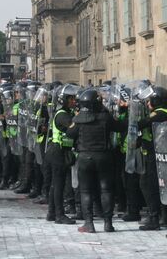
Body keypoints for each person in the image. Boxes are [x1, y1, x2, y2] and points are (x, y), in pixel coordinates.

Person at [68, 88, 127, 233]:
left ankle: (89, 223)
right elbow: (120, 127)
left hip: (85, 157)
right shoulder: (105, 117)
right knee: (106, 190)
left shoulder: (79, 119)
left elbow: (70, 134)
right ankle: (108, 223)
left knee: (86, 191)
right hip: (103, 157)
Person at [137, 86, 167, 231]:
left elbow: (143, 123)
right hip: (156, 153)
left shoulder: (161, 114)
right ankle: (164, 217)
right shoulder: (162, 113)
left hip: (156, 154)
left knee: (148, 185)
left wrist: (134, 119)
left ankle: (154, 218)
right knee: (159, 186)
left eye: (149, 101)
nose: (147, 104)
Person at [45, 84, 78, 225]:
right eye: (72, 99)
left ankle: (52, 212)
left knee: (55, 184)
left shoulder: (64, 113)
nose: (74, 101)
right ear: (64, 99)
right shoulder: (63, 115)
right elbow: (73, 129)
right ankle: (59, 215)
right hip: (58, 151)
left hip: (57, 150)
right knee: (59, 184)